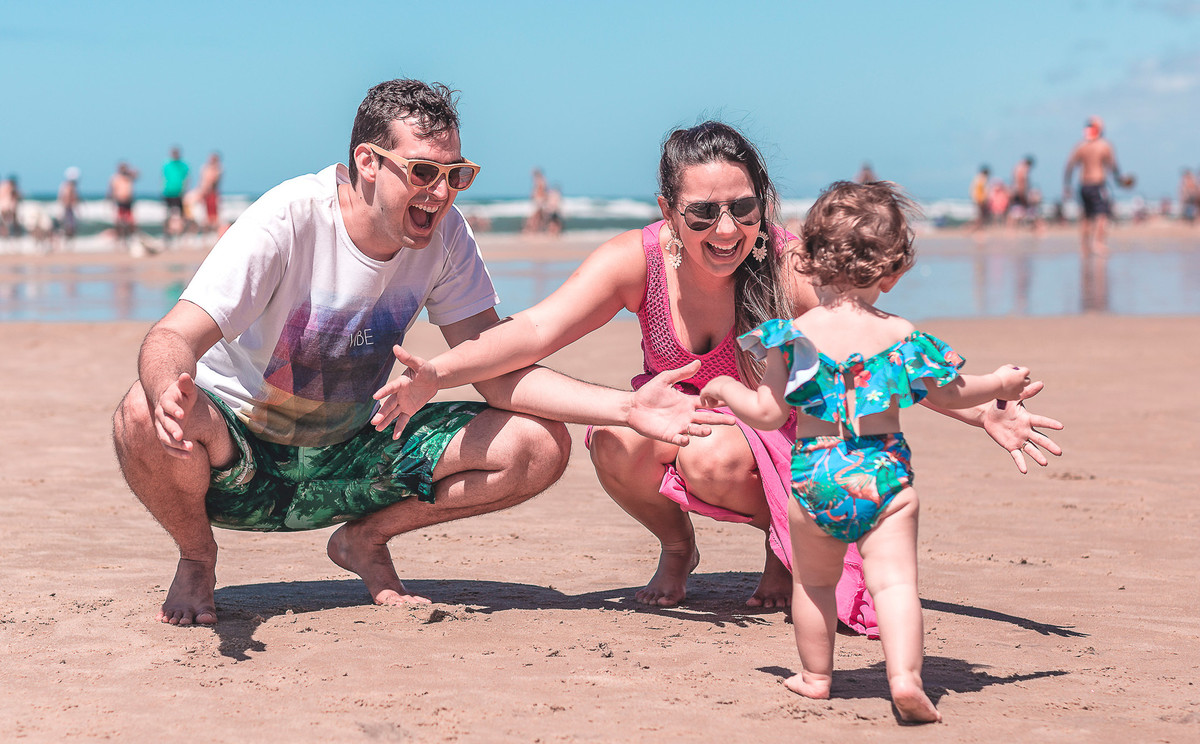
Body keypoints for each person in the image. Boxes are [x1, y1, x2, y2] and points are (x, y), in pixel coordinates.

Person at [367, 122, 1063, 622]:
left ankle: (784, 546)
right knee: (613, 437)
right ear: (669, 212)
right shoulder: (634, 260)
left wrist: (982, 408)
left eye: (742, 207)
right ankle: (678, 544)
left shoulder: (786, 260)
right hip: (677, 417)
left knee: (715, 453)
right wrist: (441, 370)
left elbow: (875, 352)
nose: (727, 229)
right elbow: (535, 331)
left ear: (763, 204)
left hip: (769, 432)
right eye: (703, 212)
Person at [112, 79, 719, 627]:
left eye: (456, 174)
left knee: (538, 444)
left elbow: (499, 368)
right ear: (368, 163)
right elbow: (172, 336)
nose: (442, 192)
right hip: (239, 458)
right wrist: (169, 386)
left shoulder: (445, 236)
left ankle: (365, 540)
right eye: (425, 172)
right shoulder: (288, 219)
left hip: (355, 451)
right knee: (140, 411)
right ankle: (197, 556)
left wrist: (626, 408)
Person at [699, 181, 1033, 723]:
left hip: (815, 475)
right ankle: (903, 677)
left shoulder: (790, 335)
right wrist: (999, 380)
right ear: (893, 273)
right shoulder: (900, 335)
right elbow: (948, 392)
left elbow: (766, 411)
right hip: (882, 474)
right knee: (896, 582)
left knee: (814, 583)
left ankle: (815, 676)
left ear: (804, 261)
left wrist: (723, 391)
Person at [1063, 116, 1128, 256]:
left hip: (1083, 185)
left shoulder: (1080, 146)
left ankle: (1084, 246)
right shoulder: (1104, 145)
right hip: (1097, 184)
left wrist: (1067, 186)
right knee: (1102, 215)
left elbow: (1069, 166)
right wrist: (1120, 180)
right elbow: (1113, 167)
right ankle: (1098, 243)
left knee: (1086, 215)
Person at [162, 146, 190, 241]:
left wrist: (185, 191)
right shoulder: (167, 165)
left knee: (181, 216)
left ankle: (180, 235)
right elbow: (163, 178)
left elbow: (187, 179)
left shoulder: (183, 165)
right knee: (168, 215)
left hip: (179, 193)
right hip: (168, 192)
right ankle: (168, 235)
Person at [108, 162, 139, 245]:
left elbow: (137, 174)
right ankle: (119, 239)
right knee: (119, 221)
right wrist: (109, 201)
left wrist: (130, 171)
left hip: (129, 202)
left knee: (131, 222)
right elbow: (111, 190)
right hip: (119, 202)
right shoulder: (115, 178)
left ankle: (130, 238)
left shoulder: (129, 177)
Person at [197, 152, 223, 234]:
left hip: (212, 194)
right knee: (204, 217)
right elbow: (202, 181)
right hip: (205, 194)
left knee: (213, 217)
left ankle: (214, 234)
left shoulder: (218, 169)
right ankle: (206, 234)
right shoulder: (205, 168)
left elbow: (213, 182)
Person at [58, 167, 81, 244]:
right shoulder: (67, 186)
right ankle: (66, 241)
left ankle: (68, 241)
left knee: (70, 226)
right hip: (67, 208)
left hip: (69, 208)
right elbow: (63, 197)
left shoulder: (69, 186)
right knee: (68, 226)